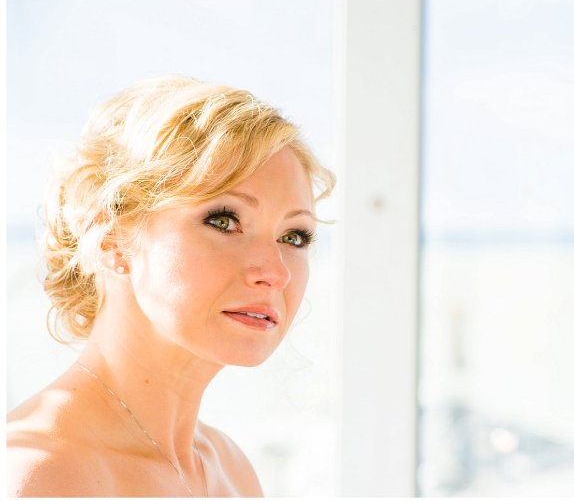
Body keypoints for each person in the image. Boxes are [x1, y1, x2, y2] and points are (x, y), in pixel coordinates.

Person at [6, 75, 335, 497]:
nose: (276, 272)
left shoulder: (231, 470)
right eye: (224, 221)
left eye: (293, 236)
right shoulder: (39, 475)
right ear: (112, 238)